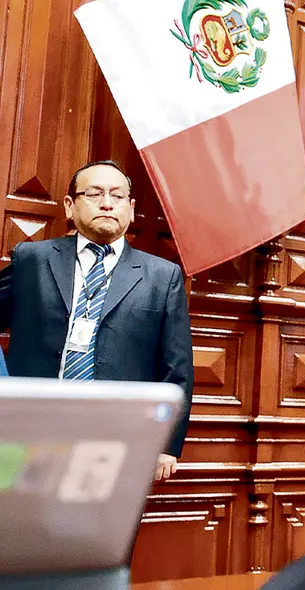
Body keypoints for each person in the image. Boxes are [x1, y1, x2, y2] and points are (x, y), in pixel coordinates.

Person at [0, 160, 193, 481]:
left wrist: (167, 443)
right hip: (31, 429)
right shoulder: (33, 259)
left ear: (131, 209)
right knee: (18, 525)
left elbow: (177, 366)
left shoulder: (162, 276)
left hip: (117, 436)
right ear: (69, 206)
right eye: (94, 194)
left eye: (117, 196)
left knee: (101, 528)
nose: (106, 203)